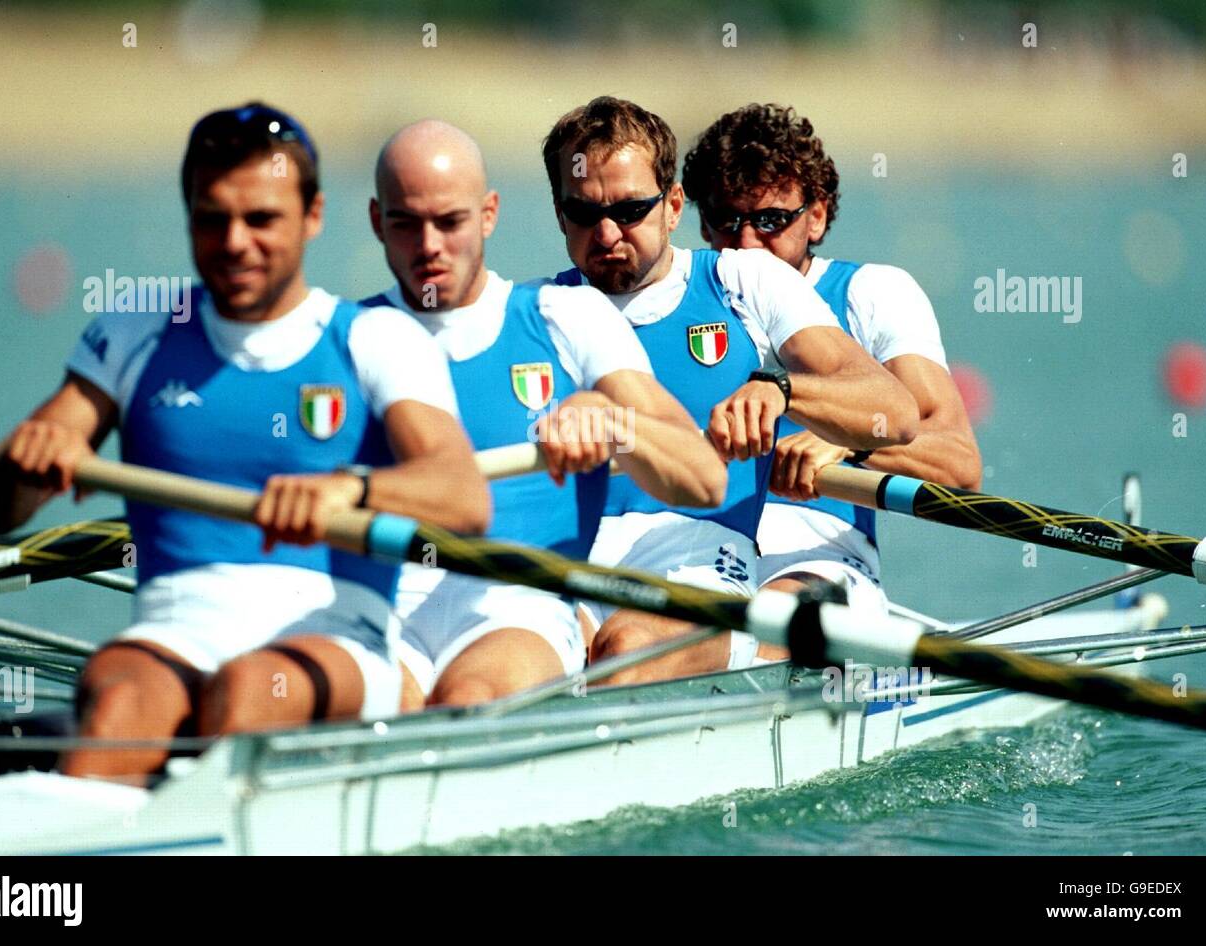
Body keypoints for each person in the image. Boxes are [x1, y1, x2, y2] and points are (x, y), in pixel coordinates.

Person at [0, 103, 489, 779]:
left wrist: (348, 489)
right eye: (213, 218)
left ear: (314, 216)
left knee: (247, 692)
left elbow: (462, 495)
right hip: (173, 632)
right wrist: (25, 463)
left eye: (261, 219)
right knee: (119, 704)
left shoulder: (373, 340)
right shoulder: (137, 330)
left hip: (336, 637)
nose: (235, 241)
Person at [541, 97, 920, 685]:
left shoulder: (743, 279)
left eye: (631, 209)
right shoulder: (537, 310)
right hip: (568, 555)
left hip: (692, 554)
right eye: (585, 213)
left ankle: (760, 644)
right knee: (509, 674)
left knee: (624, 652)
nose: (608, 233)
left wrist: (781, 391)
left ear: (672, 207)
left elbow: (893, 412)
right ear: (560, 214)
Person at [364, 119, 725, 707]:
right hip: (383, 604)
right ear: (379, 222)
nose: (429, 246)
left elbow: (704, 478)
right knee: (370, 700)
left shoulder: (566, 315)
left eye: (450, 222)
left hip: (516, 605)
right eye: (407, 223)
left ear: (488, 215)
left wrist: (615, 425)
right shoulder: (349, 333)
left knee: (468, 698)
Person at [682, 103, 981, 625]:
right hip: (689, 548)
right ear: (702, 221)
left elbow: (958, 462)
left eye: (771, 220)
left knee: (765, 618)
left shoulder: (873, 293)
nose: (748, 243)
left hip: (814, 557)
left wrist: (851, 445)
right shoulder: (675, 299)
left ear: (815, 215)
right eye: (728, 220)